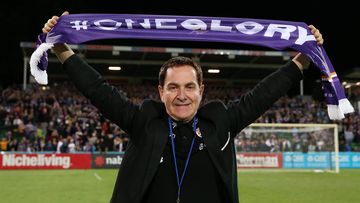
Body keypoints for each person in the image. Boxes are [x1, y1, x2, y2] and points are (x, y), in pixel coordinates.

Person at [42, 11, 324, 203]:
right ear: (160, 92)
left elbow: (264, 94)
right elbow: (97, 90)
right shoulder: (144, 121)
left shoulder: (220, 122)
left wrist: (303, 58)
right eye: (173, 87)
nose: (182, 95)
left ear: (201, 91)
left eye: (189, 86)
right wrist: (61, 48)